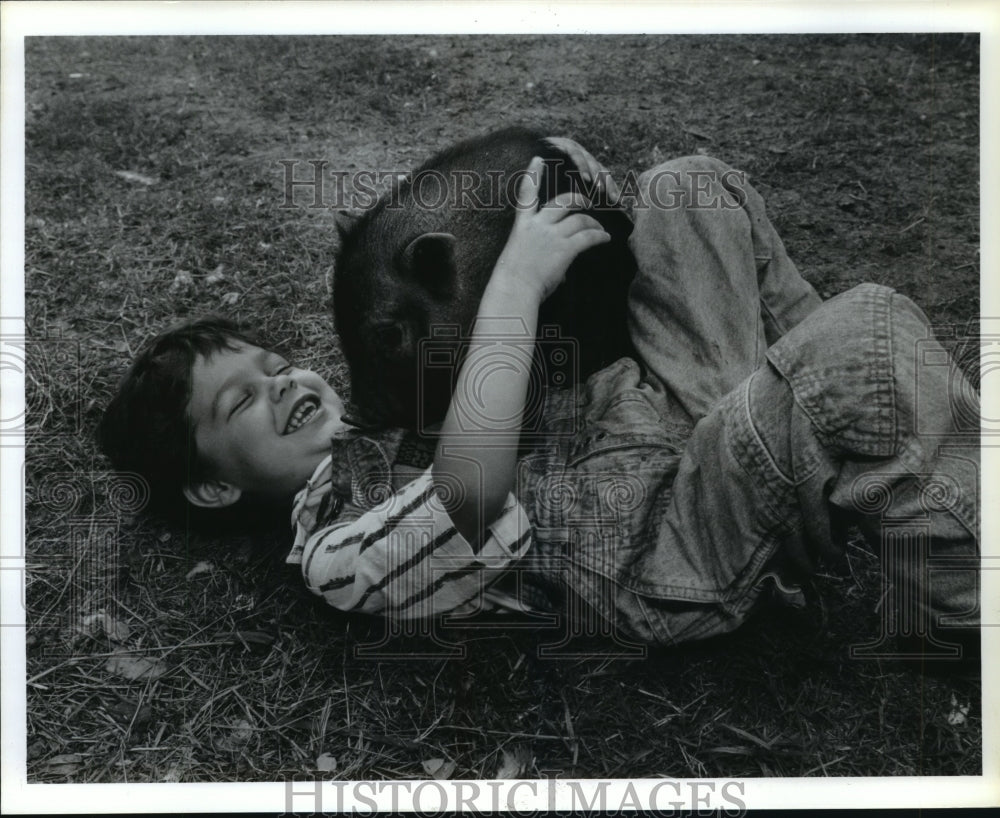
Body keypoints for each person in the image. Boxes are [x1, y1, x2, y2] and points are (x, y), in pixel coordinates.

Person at [98, 146, 980, 653]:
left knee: (690, 187)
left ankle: (833, 448)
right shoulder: (337, 552)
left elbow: (503, 325)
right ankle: (964, 594)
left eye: (273, 361)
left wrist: (556, 175)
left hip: (656, 417)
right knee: (862, 341)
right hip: (671, 547)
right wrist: (514, 284)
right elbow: (470, 496)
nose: (284, 381)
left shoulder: (395, 407)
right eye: (240, 401)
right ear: (214, 486)